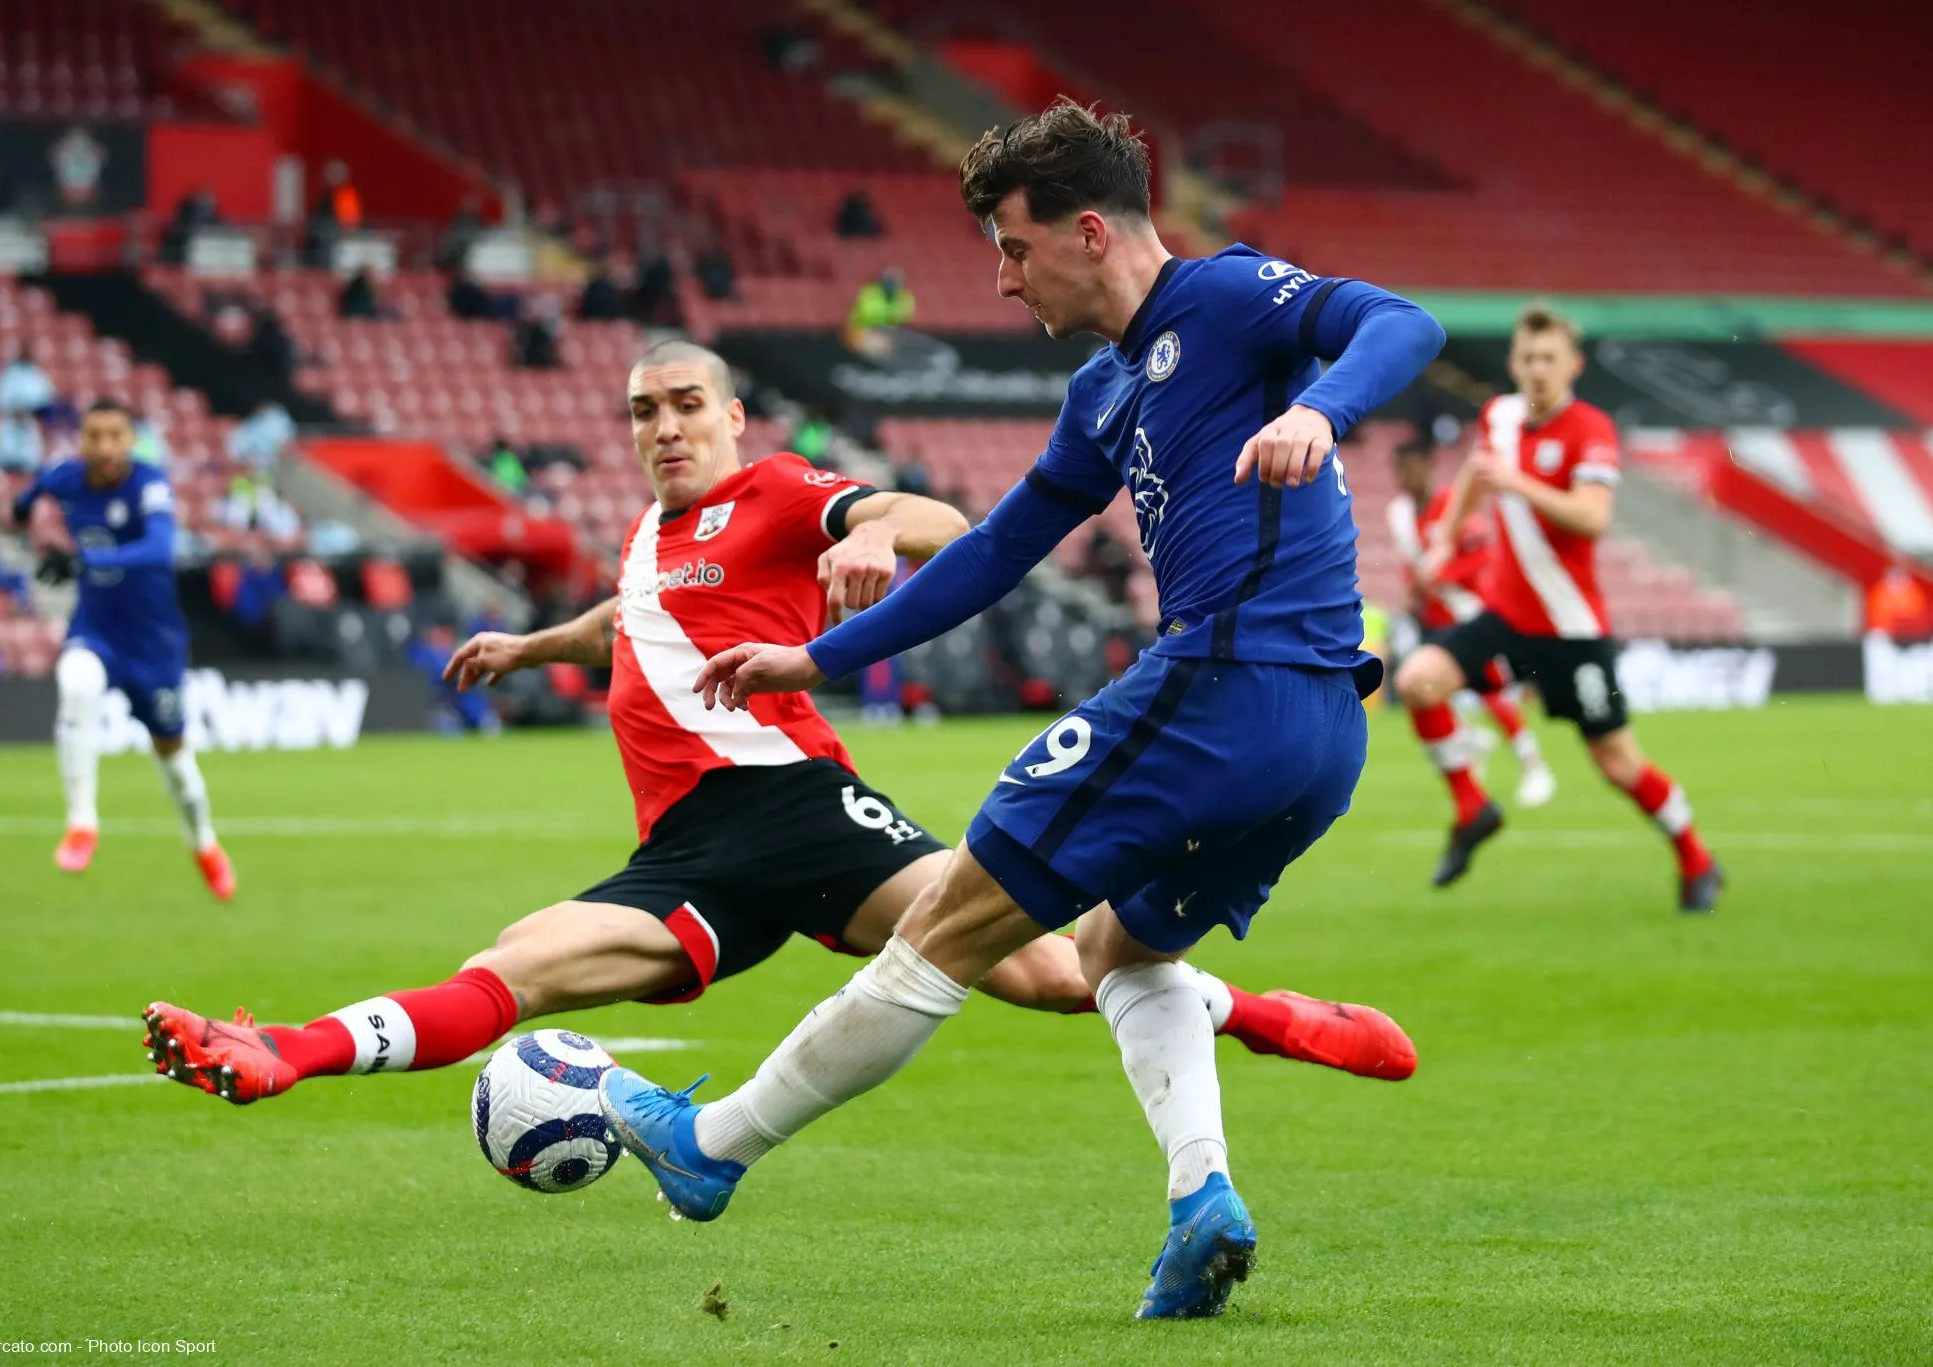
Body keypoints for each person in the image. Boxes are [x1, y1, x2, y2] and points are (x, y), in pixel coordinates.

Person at [596, 101, 1444, 1320]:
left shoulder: (1222, 297)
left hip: (1223, 687)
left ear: (1088, 231)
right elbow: (995, 549)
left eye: (1012, 247)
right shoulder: (1103, 389)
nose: (1001, 280)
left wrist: (1318, 410)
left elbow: (1402, 323)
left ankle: (712, 1144)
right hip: (1319, 737)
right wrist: (820, 657)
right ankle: (1201, 1198)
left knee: (945, 921)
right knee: (1116, 952)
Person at [141, 339, 1412, 1113]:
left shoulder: (775, 489)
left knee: (1046, 972)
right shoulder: (649, 539)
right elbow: (634, 622)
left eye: (685, 404)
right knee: (517, 959)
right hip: (687, 852)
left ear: (732, 416)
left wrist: (870, 530)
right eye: (644, 411)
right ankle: (285, 1052)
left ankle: (1272, 1015)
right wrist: (533, 645)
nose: (665, 427)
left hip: (800, 804)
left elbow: (932, 519)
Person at [1393, 304, 1722, 910]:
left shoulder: (1590, 430)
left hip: (1571, 629)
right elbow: (1477, 473)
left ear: (1573, 365)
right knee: (1418, 681)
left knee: (1617, 763)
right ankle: (1472, 808)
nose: (1538, 369)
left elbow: (1591, 517)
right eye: (1528, 358)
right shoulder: (1500, 415)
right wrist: (1444, 539)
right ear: (1514, 363)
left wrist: (1516, 483)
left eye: (1549, 358)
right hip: (1504, 615)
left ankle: (1696, 858)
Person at [11, 400, 236, 898]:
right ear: (83, 441)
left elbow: (158, 549)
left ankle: (204, 844)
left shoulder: (149, 483)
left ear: (131, 441)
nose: (105, 446)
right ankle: (81, 824)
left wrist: (84, 560)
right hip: (97, 629)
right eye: (95, 436)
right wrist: (22, 505)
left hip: (154, 643)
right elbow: (39, 484)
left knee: (175, 762)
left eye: (115, 436)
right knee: (77, 683)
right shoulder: (68, 477)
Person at [1386, 436, 1554, 809]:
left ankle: (1533, 765)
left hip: (1467, 617)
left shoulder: (1451, 504)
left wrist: (1442, 575)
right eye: (1400, 469)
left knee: (1491, 692)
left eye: (1413, 467)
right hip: (1432, 619)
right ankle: (1468, 746)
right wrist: (1414, 593)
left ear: (1428, 466)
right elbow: (1412, 566)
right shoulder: (1399, 514)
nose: (1407, 476)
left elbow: (1481, 556)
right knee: (1426, 691)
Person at [0, 344, 55, 474]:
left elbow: (46, 400)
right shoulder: (9, 374)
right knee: (0, 465)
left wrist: (30, 412)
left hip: (28, 425)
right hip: (9, 424)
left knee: (32, 466)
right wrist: (15, 411)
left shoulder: (36, 374)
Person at [844, 266, 915, 354]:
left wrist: (890, 324)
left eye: (894, 281)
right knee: (878, 347)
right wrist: (886, 320)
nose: (892, 285)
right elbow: (866, 315)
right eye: (888, 281)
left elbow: (904, 317)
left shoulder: (904, 296)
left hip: (888, 331)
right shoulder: (870, 293)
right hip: (861, 330)